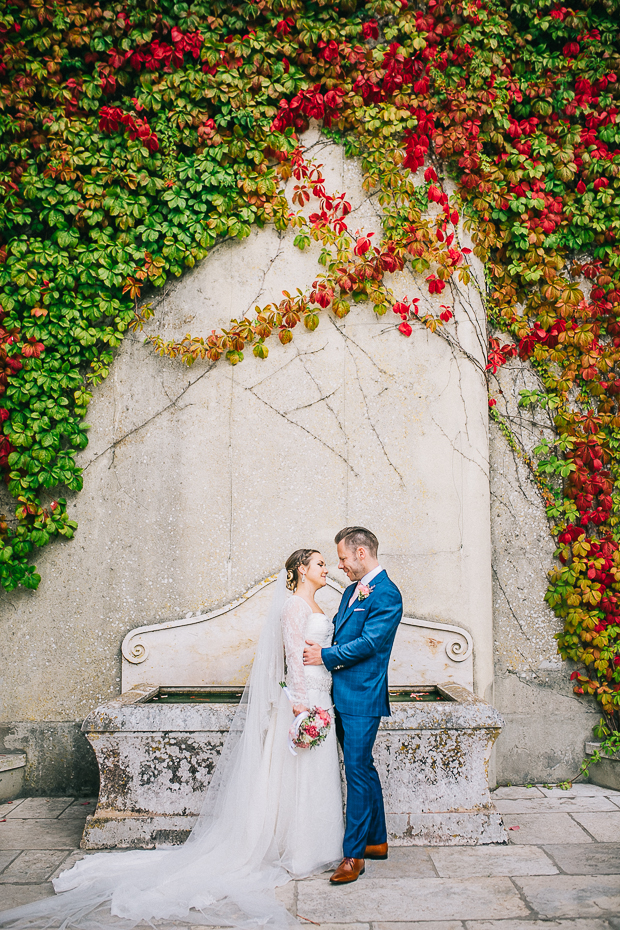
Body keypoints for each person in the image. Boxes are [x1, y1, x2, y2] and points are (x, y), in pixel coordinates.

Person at [0, 550, 343, 930]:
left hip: (321, 691)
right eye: (320, 565)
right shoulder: (294, 605)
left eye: (326, 564)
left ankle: (314, 843)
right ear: (301, 570)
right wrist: (298, 703)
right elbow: (293, 655)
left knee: (313, 769)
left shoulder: (316, 601)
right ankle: (296, 847)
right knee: (294, 769)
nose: (326, 569)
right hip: (304, 697)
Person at [304, 526, 403, 885]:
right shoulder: (349, 592)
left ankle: (353, 856)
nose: (340, 565)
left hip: (363, 697)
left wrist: (323, 656)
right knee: (364, 767)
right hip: (339, 695)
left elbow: (369, 643)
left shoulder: (388, 595)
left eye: (343, 558)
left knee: (357, 773)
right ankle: (376, 841)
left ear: (361, 554)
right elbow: (341, 632)